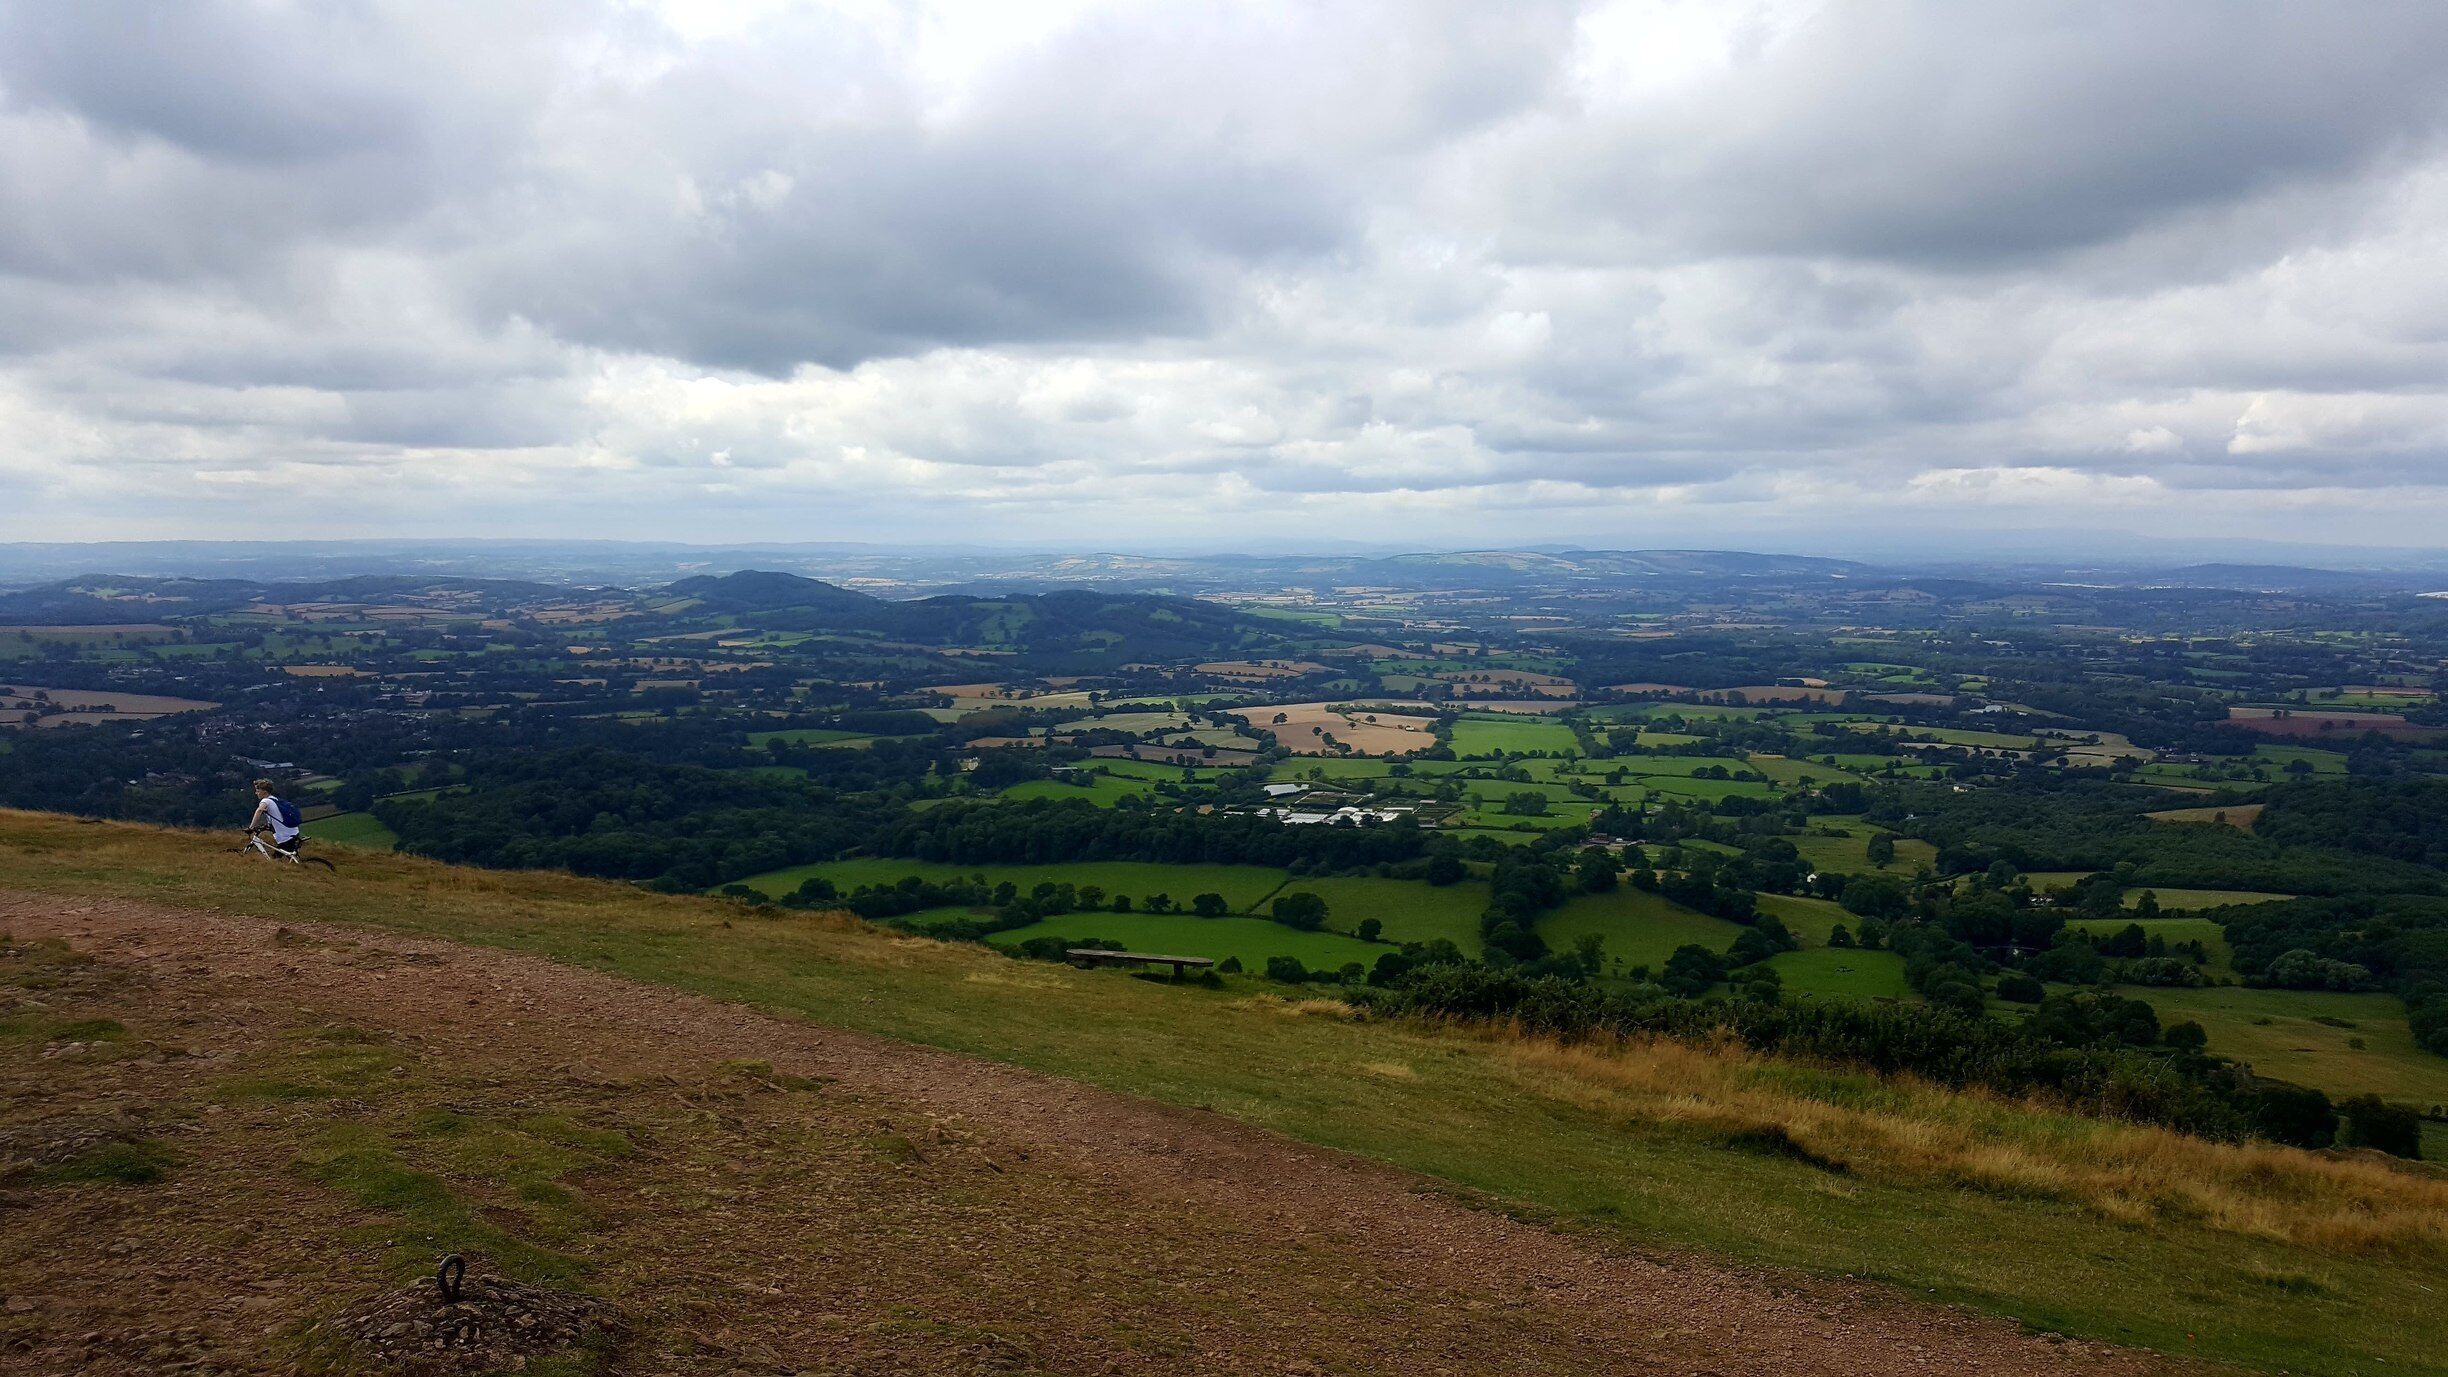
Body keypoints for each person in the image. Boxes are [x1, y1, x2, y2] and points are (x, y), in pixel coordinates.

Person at [247, 778, 304, 856]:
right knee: (289, 857)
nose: (256, 793)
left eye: (258, 791)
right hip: (293, 832)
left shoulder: (265, 801)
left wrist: (251, 828)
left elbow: (259, 811)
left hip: (285, 837)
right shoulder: (274, 799)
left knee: (275, 862)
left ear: (264, 792)